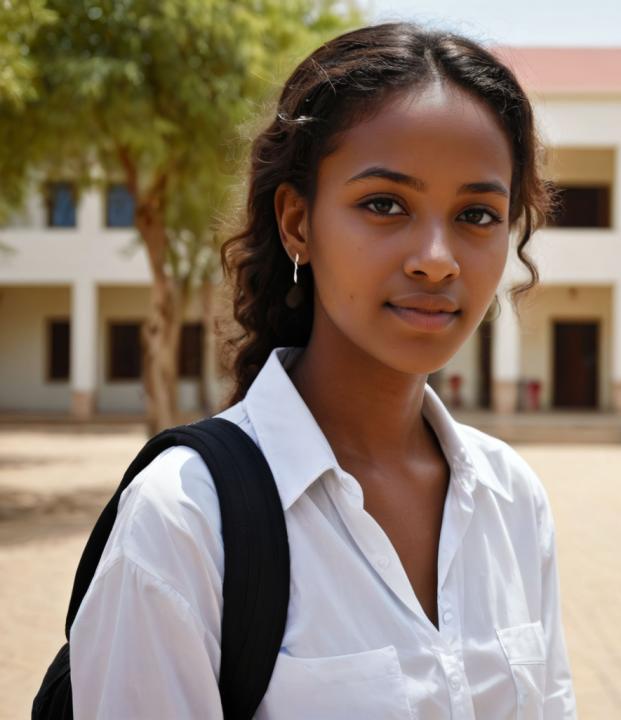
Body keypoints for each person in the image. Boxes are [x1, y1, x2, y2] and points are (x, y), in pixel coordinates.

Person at [69, 21, 577, 719]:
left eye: (478, 214)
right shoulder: (183, 521)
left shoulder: (512, 501)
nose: (437, 257)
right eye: (384, 204)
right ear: (298, 224)